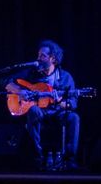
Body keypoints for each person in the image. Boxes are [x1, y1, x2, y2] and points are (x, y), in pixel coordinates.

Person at [5, 40, 82, 171]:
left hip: (58, 112)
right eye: (38, 55)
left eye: (42, 56)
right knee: (33, 110)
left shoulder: (65, 77)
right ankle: (37, 157)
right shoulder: (32, 73)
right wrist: (20, 91)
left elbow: (73, 104)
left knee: (74, 117)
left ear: (53, 59)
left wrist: (59, 102)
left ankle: (70, 160)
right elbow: (6, 82)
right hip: (40, 110)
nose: (38, 59)